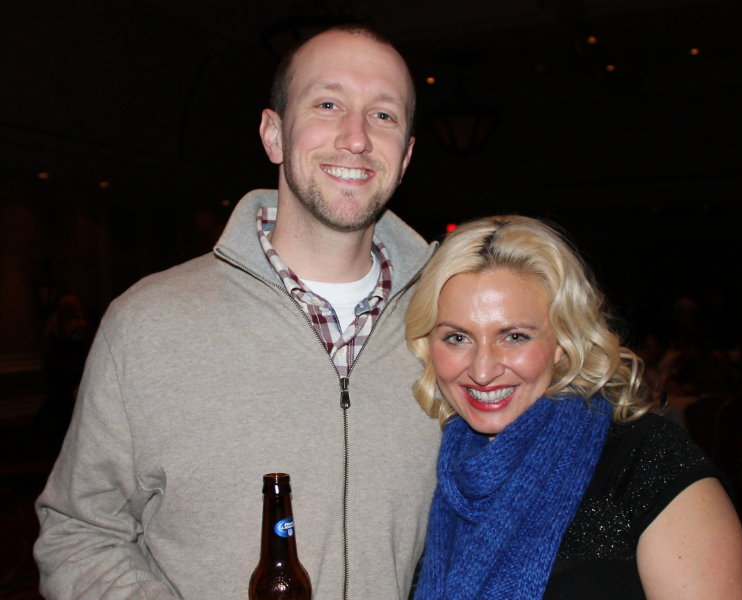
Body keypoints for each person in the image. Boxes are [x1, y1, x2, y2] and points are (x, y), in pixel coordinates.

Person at [34, 25, 441, 600]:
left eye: (383, 115)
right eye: (328, 104)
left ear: (406, 156)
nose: (356, 138)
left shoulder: (454, 329)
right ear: (274, 135)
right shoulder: (147, 323)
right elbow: (78, 535)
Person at [405, 215, 742, 600]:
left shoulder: (647, 462)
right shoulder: (432, 470)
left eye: (514, 336)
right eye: (457, 338)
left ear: (562, 341)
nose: (482, 370)